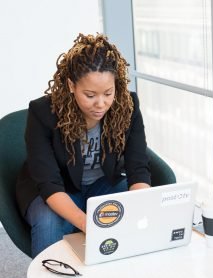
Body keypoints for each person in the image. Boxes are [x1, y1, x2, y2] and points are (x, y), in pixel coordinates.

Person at [16, 33, 151, 257]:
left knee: (136, 210)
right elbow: (49, 183)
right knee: (49, 222)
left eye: (108, 93)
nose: (101, 104)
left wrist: (142, 205)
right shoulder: (43, 113)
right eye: (90, 95)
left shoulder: (128, 106)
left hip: (103, 183)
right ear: (71, 85)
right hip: (57, 190)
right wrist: (88, 223)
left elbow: (138, 167)